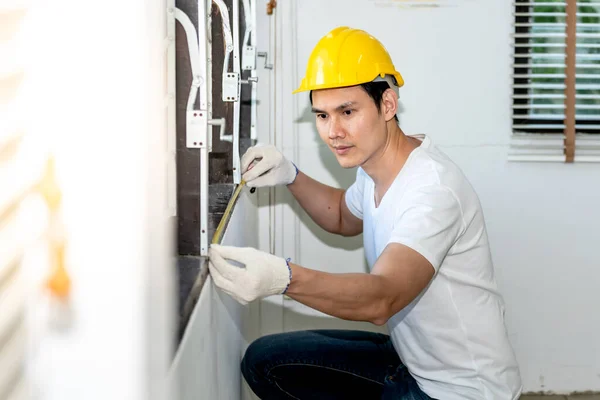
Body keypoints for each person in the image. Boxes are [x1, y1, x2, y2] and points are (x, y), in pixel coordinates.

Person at [208, 26, 522, 399]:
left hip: (461, 390)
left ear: (387, 105)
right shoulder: (376, 167)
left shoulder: (432, 191)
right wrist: (290, 175)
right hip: (411, 362)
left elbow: (382, 299)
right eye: (322, 116)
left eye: (347, 111)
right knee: (267, 361)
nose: (334, 131)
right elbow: (343, 216)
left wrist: (283, 278)